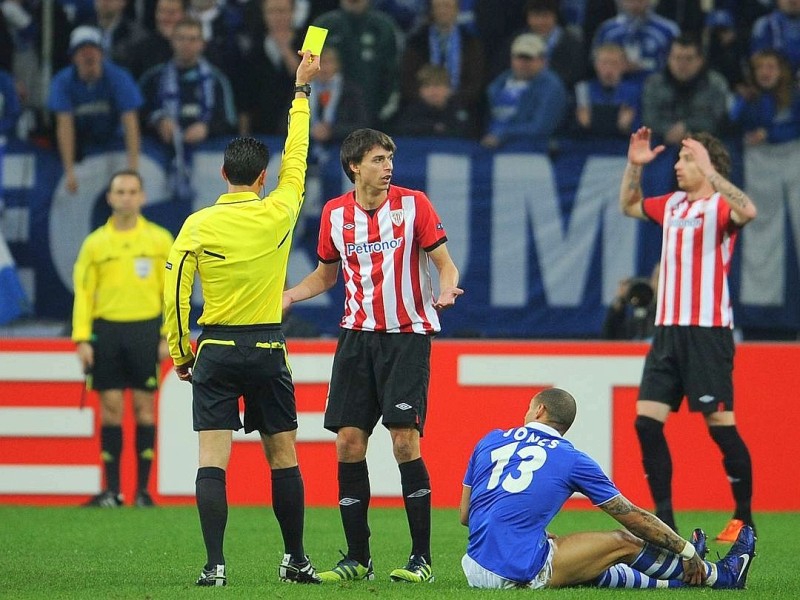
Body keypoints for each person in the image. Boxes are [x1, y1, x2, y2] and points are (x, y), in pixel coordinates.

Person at [161, 49, 321, 587]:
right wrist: (301, 92)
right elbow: (297, 156)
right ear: (261, 178)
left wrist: (182, 350)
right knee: (283, 456)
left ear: (224, 173)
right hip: (269, 347)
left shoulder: (197, 226)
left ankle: (214, 565)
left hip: (217, 349)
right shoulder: (280, 209)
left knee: (213, 458)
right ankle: (295, 559)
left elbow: (177, 292)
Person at [283, 127, 463, 583]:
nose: (388, 167)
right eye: (379, 159)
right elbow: (326, 277)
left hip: (406, 335)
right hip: (356, 339)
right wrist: (289, 296)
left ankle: (421, 559)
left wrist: (445, 289)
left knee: (404, 439)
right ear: (354, 167)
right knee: (348, 442)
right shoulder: (334, 214)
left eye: (389, 159)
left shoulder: (413, 204)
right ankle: (358, 559)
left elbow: (445, 262)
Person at [460, 387, 756, 590]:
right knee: (621, 542)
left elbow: (466, 515)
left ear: (539, 410)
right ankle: (722, 576)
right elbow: (633, 517)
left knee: (591, 561)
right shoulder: (571, 458)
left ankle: (674, 573)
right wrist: (686, 549)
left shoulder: (491, 439)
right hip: (513, 570)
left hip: (474, 565)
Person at [619, 127, 758, 542]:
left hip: (707, 331)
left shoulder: (719, 206)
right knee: (646, 423)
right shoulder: (673, 205)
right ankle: (665, 522)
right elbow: (629, 205)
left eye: (686, 159)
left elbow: (748, 211)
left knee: (720, 424)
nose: (677, 166)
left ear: (706, 164)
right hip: (667, 332)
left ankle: (744, 518)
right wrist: (634, 165)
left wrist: (713, 172)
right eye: (679, 159)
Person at [72, 169, 174, 508]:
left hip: (146, 330)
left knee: (145, 409)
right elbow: (84, 293)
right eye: (120, 191)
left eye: (132, 191)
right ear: (110, 197)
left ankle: (143, 492)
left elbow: (172, 293)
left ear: (142, 197)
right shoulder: (95, 244)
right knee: (111, 409)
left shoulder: (160, 240)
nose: (126, 197)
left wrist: (167, 335)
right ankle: (112, 491)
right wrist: (82, 338)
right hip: (108, 331)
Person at [47, 26, 143, 195]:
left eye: (92, 49)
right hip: (82, 146)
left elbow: (130, 123)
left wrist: (133, 170)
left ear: (102, 53)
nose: (88, 55)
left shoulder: (119, 77)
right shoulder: (63, 81)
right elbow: (64, 125)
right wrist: (69, 171)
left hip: (114, 143)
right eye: (82, 50)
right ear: (73, 56)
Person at [641, 34, 731, 146]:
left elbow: (719, 119)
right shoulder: (654, 84)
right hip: (662, 145)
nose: (682, 64)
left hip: (706, 145)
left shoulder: (716, 84)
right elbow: (649, 119)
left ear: (700, 60)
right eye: (677, 58)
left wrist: (687, 127)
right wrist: (671, 131)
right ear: (668, 59)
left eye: (689, 59)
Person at [481, 32, 567, 148]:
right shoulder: (499, 82)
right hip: (492, 148)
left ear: (543, 61)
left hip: (530, 150)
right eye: (519, 57)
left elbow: (540, 127)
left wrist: (501, 134)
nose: (523, 63)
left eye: (529, 59)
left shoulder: (551, 87)